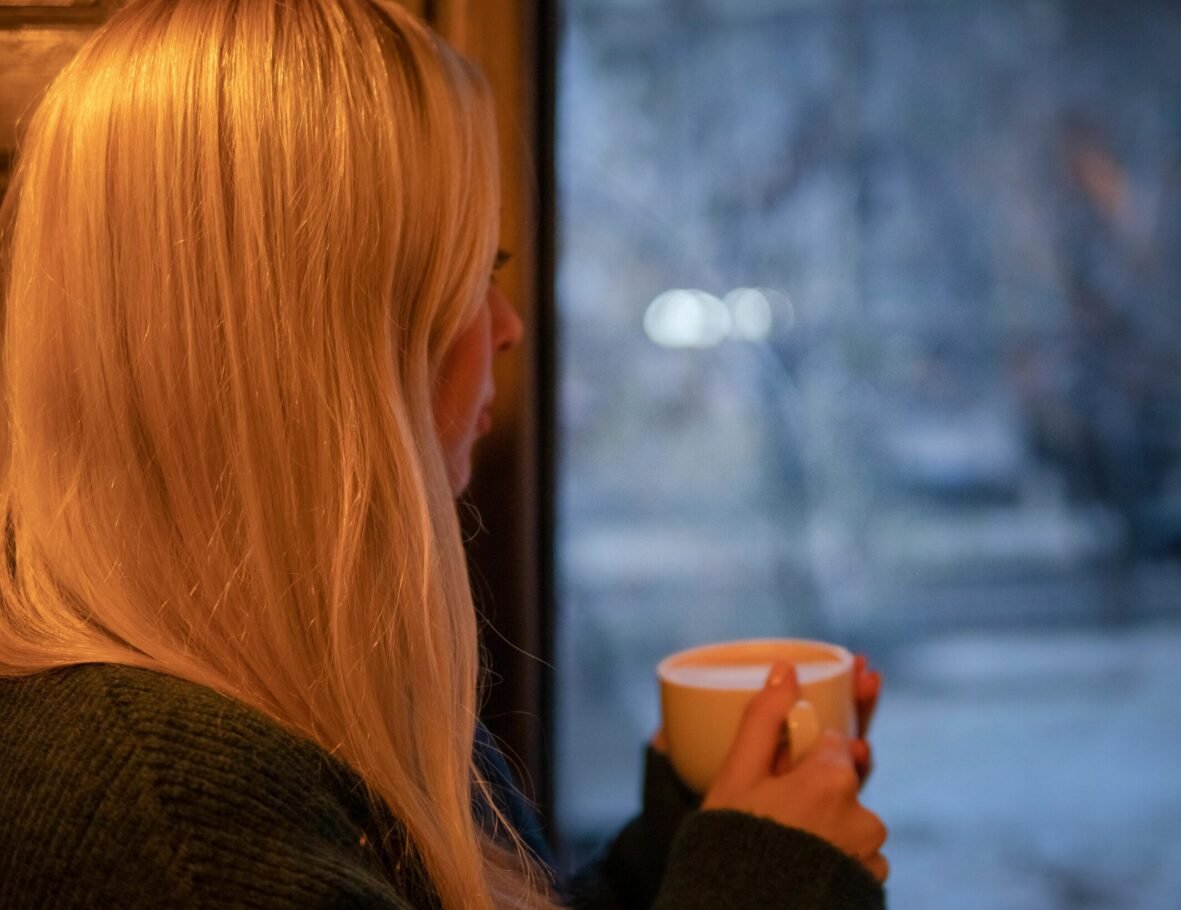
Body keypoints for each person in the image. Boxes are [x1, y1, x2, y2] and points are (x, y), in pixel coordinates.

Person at [0, 1, 888, 907]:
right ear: (319, 350)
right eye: (470, 275)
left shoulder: (291, 710)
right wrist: (767, 882)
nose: (505, 329)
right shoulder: (165, 827)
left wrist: (692, 837)